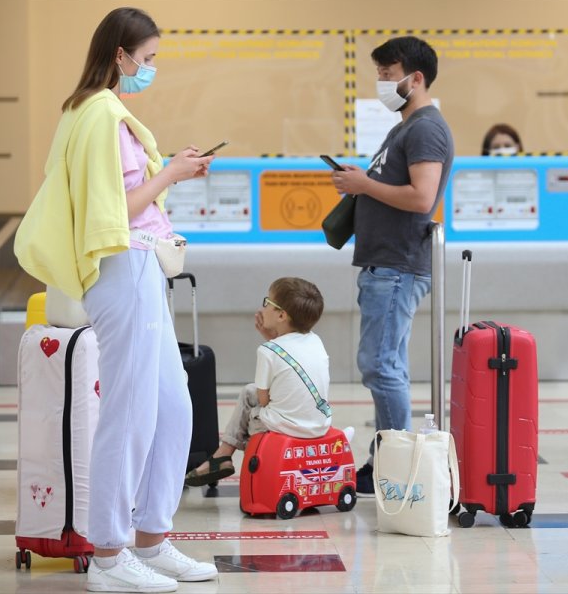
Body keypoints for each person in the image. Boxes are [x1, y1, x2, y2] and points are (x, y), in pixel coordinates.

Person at [14, 7, 219, 593]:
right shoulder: (100, 115)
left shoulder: (94, 113)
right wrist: (173, 173)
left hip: (139, 267)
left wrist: (168, 171)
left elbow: (125, 194)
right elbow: (114, 213)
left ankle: (152, 537)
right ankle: (108, 553)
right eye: (147, 59)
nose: (150, 69)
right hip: (123, 265)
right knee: (128, 413)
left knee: (171, 406)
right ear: (119, 57)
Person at [330, 36, 454, 495]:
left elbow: (421, 198)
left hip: (399, 265)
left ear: (415, 78)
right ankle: (388, 457)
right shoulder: (405, 128)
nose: (382, 82)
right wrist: (361, 182)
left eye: (388, 73)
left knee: (380, 365)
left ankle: (396, 462)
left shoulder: (425, 128)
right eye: (380, 73)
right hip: (387, 264)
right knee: (386, 364)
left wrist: (364, 184)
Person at [184, 277, 332, 486]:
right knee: (248, 392)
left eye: (268, 303)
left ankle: (223, 455)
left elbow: (263, 401)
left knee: (251, 412)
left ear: (281, 315)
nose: (263, 308)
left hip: (285, 428)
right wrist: (270, 338)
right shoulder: (315, 340)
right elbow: (290, 364)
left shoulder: (267, 351)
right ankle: (223, 455)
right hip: (318, 424)